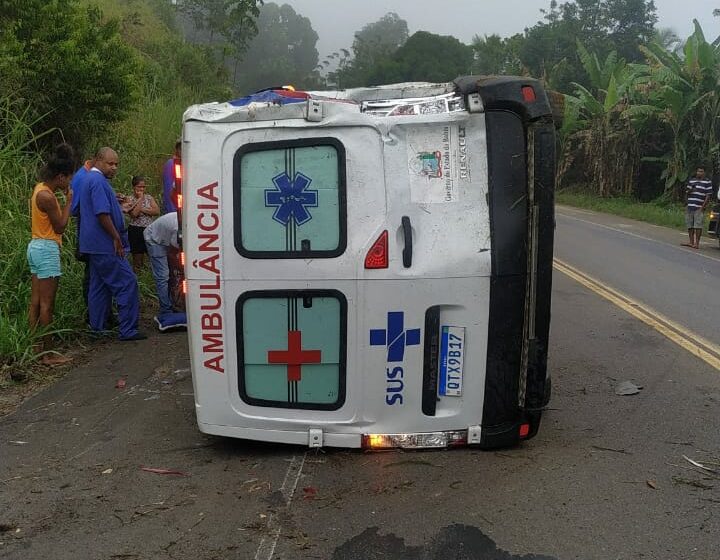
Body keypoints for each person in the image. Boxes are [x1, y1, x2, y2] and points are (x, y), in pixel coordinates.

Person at [78, 147, 146, 341]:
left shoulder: (90, 180)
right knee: (127, 282)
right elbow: (101, 213)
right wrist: (116, 237)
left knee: (98, 286)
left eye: (116, 164)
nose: (114, 168)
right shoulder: (98, 181)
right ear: (98, 160)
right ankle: (128, 329)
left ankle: (96, 328)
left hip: (92, 244)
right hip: (104, 243)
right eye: (110, 163)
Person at [27, 144, 75, 365]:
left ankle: (35, 348)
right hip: (47, 249)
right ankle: (48, 354)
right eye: (68, 179)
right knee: (47, 304)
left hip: (36, 246)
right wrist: (69, 201)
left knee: (36, 302)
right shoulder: (48, 197)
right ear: (61, 177)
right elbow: (61, 227)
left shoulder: (39, 188)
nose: (69, 183)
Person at [143, 212, 184, 330]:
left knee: (173, 274)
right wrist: (180, 268)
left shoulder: (188, 224)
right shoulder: (179, 229)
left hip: (166, 236)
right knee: (163, 276)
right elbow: (172, 254)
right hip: (154, 239)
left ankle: (174, 303)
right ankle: (166, 310)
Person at [122, 175, 160, 271]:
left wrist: (142, 209)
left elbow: (156, 211)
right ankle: (137, 276)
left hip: (148, 228)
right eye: (139, 187)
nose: (142, 189)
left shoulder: (149, 198)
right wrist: (140, 199)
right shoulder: (129, 199)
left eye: (143, 187)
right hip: (136, 230)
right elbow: (134, 214)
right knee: (138, 259)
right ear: (134, 187)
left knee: (153, 254)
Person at [683, 166, 713, 249]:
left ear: (704, 173)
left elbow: (708, 196)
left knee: (698, 225)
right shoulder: (692, 181)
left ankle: (697, 243)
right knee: (690, 225)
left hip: (699, 207)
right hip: (690, 206)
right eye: (698, 171)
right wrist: (687, 203)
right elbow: (687, 193)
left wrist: (702, 207)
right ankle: (691, 242)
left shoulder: (707, 182)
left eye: (701, 171)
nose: (699, 173)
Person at [161, 140, 181, 214]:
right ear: (177, 150)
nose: (183, 151)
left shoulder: (188, 165)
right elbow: (168, 189)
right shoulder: (171, 164)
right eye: (180, 148)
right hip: (174, 211)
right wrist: (172, 211)